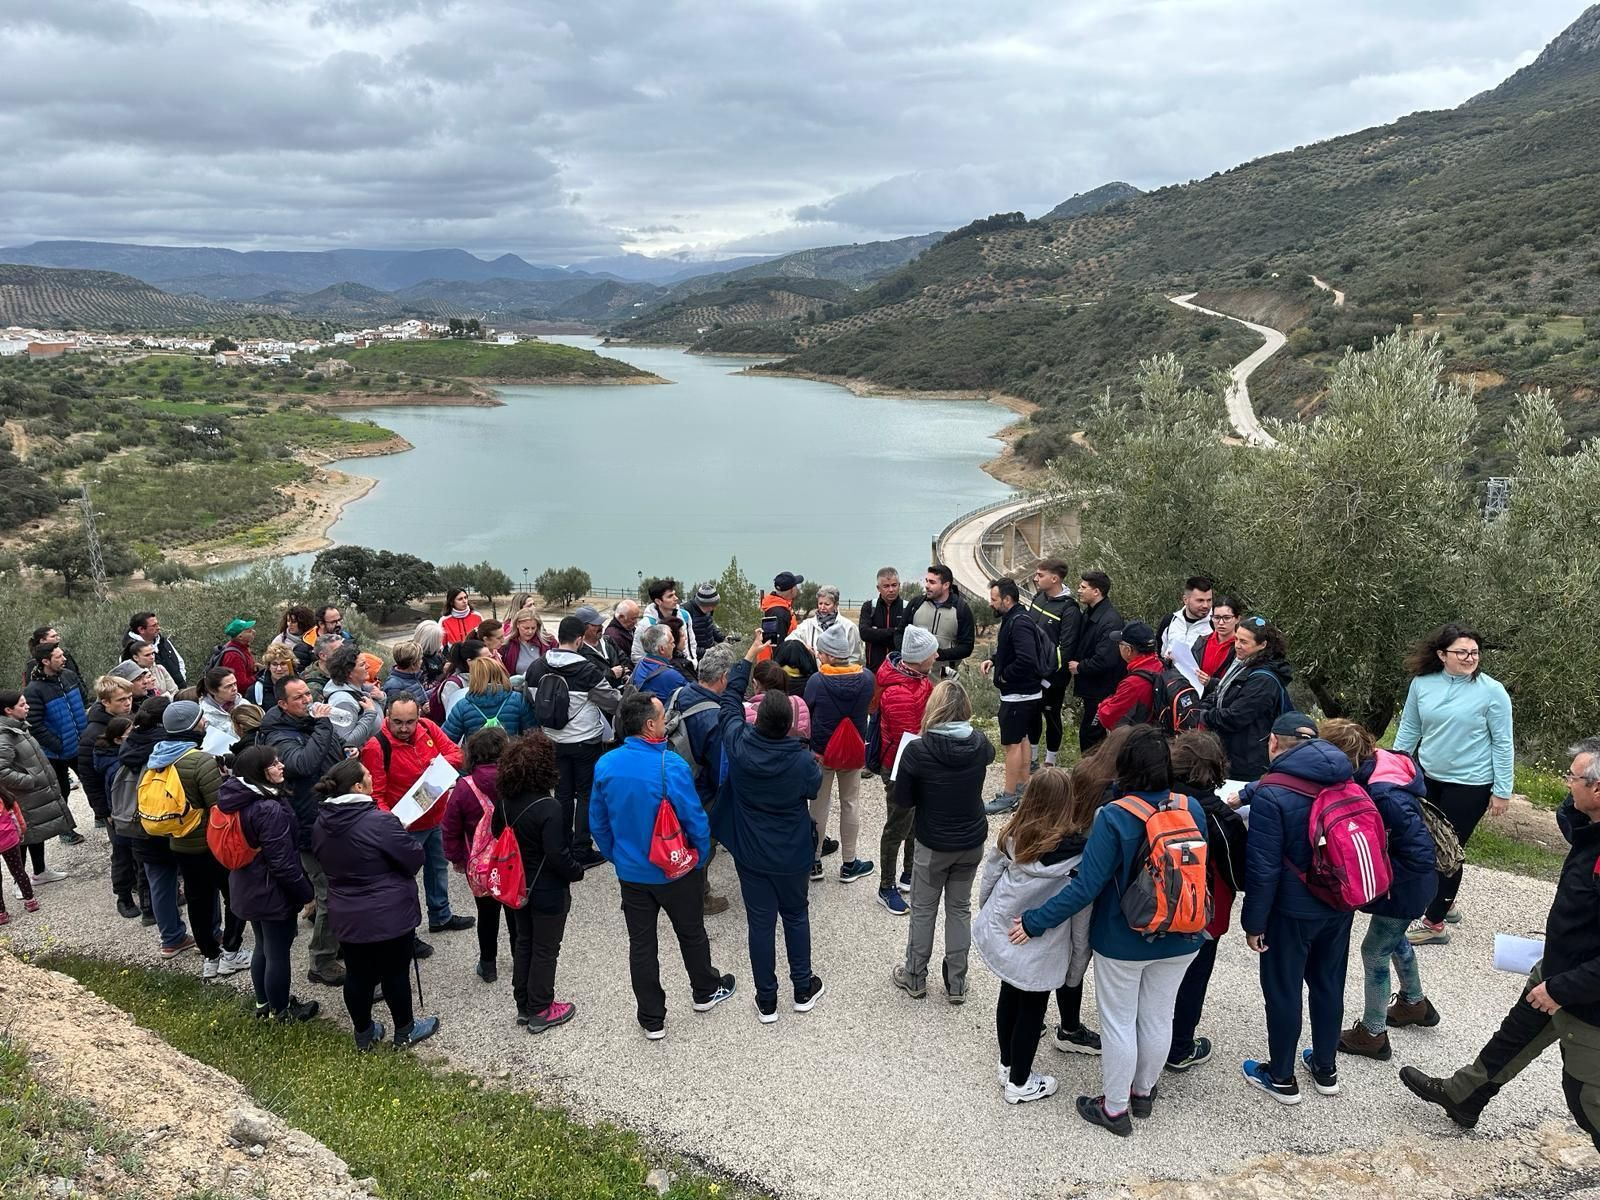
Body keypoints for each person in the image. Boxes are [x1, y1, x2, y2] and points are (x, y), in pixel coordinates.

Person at [1400, 737, 1600, 1146]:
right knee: (1514, 1035)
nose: (1566, 785)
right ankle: (1464, 1097)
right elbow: (1569, 817)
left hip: (1586, 997)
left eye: (1573, 779)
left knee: (1586, 1101)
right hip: (1560, 969)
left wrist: (1562, 988)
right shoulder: (1590, 827)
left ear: (1598, 789)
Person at [1011, 727, 1208, 1136]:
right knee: (1158, 1015)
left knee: (1120, 1021)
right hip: (1185, 933)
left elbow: (1086, 887)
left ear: (1126, 767)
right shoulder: (1192, 807)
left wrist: (1034, 921)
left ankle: (1114, 1109)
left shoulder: (1114, 815)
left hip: (1125, 938)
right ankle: (1143, 1092)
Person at [590, 692, 736, 1039]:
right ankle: (704, 989)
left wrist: (617, 856)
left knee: (641, 945)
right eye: (662, 715)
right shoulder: (671, 765)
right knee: (691, 931)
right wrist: (699, 856)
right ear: (650, 725)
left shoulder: (606, 765)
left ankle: (651, 1017)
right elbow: (695, 819)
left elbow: (598, 823)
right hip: (676, 868)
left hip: (632, 872)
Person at [1237, 712, 1355, 1105]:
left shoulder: (1273, 795)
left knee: (1283, 989)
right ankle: (1325, 1068)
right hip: (1339, 903)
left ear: (1273, 743)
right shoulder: (1345, 778)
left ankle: (1282, 1077)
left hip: (1291, 911)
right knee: (1327, 984)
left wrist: (1254, 922)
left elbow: (1263, 868)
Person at [712, 636, 826, 1023]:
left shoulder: (740, 745)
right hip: (792, 850)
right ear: (791, 723)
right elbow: (812, 789)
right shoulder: (802, 763)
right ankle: (802, 988)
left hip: (750, 850)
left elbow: (728, 703)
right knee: (795, 915)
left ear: (757, 718)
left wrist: (746, 658)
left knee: (760, 922)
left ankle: (766, 1000)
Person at [974, 767, 1100, 1103]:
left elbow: (989, 880)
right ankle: (1020, 1082)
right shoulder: (1079, 854)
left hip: (1007, 930)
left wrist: (988, 914)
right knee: (1032, 1010)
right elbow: (1081, 915)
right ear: (1067, 804)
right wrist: (1077, 962)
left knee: (1008, 997)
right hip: (1044, 947)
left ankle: (1006, 1064)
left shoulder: (1012, 836)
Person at [1318, 718, 1440, 1060]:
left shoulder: (1384, 794)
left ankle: (1372, 1034)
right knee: (1393, 938)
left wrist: (1379, 881)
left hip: (1405, 885)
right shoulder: (1377, 772)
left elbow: (1419, 853)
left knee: (1374, 952)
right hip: (1406, 884)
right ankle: (1414, 1003)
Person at [1394, 623, 1514, 945]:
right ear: (1441, 655)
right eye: (1462, 652)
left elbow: (1503, 743)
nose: (1469, 657)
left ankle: (1434, 923)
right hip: (1429, 776)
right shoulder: (1422, 684)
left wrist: (1502, 790)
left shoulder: (1492, 692)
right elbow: (1410, 728)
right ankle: (1444, 902)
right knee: (1421, 840)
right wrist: (1395, 764)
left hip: (1471, 784)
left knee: (1447, 849)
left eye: (1474, 652)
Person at [312, 758, 439, 1050]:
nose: (372, 777)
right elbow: (414, 859)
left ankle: (364, 1033)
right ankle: (405, 1029)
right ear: (358, 785)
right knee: (395, 972)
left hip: (346, 909)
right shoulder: (379, 821)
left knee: (358, 974)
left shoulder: (321, 822)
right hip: (388, 911)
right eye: (368, 774)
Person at [891, 680, 994, 1004]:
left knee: (923, 910)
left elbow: (903, 801)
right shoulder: (980, 744)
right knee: (959, 910)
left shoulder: (917, 750)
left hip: (933, 842)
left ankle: (915, 977)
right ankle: (957, 983)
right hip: (971, 840)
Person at [258, 677, 350, 987]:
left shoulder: (306, 724)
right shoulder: (279, 735)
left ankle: (337, 943)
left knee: (339, 888)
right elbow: (302, 764)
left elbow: (325, 757)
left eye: (308, 693)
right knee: (329, 894)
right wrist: (324, 726)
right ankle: (321, 960)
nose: (307, 700)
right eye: (299, 697)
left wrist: (344, 756)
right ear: (282, 704)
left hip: (330, 817)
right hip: (309, 826)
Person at [216, 745, 318, 1022]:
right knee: (277, 953)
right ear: (259, 773)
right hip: (271, 890)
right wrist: (306, 894)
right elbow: (283, 863)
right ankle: (281, 1011)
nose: (281, 766)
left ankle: (264, 1004)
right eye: (273, 764)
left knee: (263, 947)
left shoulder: (238, 798)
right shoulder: (268, 809)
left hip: (247, 885)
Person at [151, 700, 251, 982]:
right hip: (211, 844)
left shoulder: (157, 757)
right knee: (233, 895)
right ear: (189, 727)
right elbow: (221, 805)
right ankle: (231, 951)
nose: (205, 723)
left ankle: (210, 957)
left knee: (198, 901)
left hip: (180, 843)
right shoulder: (200, 761)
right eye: (200, 720)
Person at [1165, 730, 1246, 1073]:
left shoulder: (1152, 800)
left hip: (1152, 908)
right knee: (1193, 979)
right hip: (1203, 915)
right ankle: (1179, 1046)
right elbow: (1238, 874)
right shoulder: (1220, 817)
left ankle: (1144, 1040)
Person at [361, 692, 470, 947]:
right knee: (401, 882)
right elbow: (375, 794)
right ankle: (405, 933)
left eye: (409, 721)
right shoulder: (376, 747)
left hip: (436, 816)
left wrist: (439, 763)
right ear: (386, 716)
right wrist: (392, 824)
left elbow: (456, 754)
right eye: (397, 722)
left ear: (418, 717)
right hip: (405, 826)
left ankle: (440, 915)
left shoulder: (428, 728)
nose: (404, 728)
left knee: (438, 868)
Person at [495, 731, 584, 1033]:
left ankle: (523, 1004)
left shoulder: (506, 801)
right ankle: (542, 1007)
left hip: (516, 884)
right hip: (547, 889)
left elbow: (497, 833)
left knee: (524, 944)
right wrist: (577, 870)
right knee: (546, 949)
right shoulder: (550, 807)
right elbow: (558, 854)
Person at [525, 616, 622, 871]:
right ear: (579, 639)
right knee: (586, 794)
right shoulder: (586, 670)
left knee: (562, 794)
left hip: (552, 739)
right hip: (583, 741)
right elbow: (611, 702)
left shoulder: (537, 667)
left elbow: (531, 697)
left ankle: (563, 844)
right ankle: (582, 848)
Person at [117, 697, 193, 957]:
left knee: (159, 882)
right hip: (176, 822)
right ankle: (213, 935)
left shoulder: (127, 746)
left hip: (142, 825)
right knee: (196, 880)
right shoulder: (172, 746)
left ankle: (171, 939)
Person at [440, 726, 514, 981]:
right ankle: (520, 957)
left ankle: (488, 964)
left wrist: (457, 858)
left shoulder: (464, 787)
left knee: (487, 914)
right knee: (515, 912)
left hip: (481, 862)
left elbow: (450, 827)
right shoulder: (515, 779)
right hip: (513, 859)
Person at [803, 622, 875, 883]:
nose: (819, 657)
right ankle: (849, 863)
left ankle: (813, 861)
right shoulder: (867, 678)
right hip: (853, 752)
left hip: (822, 753)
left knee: (818, 806)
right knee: (850, 803)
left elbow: (808, 711)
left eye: (821, 653)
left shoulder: (817, 681)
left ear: (831, 655)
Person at [875, 625, 939, 914]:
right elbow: (911, 733)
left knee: (915, 820)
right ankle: (886, 886)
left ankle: (908, 874)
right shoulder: (899, 691)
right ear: (920, 657)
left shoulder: (919, 679)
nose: (937, 655)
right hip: (901, 765)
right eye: (932, 652)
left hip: (916, 760)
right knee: (897, 825)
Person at [1194, 616, 1292, 782]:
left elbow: (1236, 717)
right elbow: (1219, 693)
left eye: (1244, 642)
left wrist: (1203, 715)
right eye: (1236, 639)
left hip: (1248, 761)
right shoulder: (1243, 664)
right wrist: (1202, 708)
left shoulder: (1263, 680)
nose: (1237, 645)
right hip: (1232, 753)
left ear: (1262, 645)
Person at [983, 577, 1051, 815]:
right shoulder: (1017, 617)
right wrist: (994, 660)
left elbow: (1026, 658)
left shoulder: (1018, 622)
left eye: (994, 599)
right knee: (1021, 740)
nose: (991, 604)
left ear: (1007, 599)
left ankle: (1009, 795)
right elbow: (1012, 650)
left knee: (1011, 744)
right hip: (1026, 694)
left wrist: (1003, 677)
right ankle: (1022, 789)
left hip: (1018, 695)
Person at [0, 690, 74, 890]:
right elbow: (1, 771)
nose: (28, 707)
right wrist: (30, 781)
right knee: (23, 838)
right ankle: (18, 882)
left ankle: (40, 872)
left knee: (37, 832)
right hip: (22, 797)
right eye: (22, 705)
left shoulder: (19, 728)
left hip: (32, 796)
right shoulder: (4, 736)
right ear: (8, 710)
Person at [23, 642, 88, 836]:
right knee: (62, 791)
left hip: (81, 745)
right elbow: (34, 725)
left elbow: (82, 701)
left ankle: (101, 816)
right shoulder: (34, 690)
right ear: (45, 661)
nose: (64, 659)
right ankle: (65, 831)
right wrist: (59, 745)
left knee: (92, 779)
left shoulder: (69, 676)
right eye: (59, 657)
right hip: (56, 753)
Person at [1025, 558, 1082, 771]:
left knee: (1051, 714)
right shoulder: (1039, 598)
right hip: (1033, 672)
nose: (1035, 578)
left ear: (1054, 578)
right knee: (1032, 713)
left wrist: (1047, 674)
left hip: (1053, 677)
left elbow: (1065, 648)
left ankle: (1051, 760)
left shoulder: (1070, 609)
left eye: (1040, 575)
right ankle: (1032, 758)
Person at [1068, 571, 1124, 752]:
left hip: (1102, 690)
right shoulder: (1090, 614)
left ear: (1097, 591)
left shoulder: (1110, 620)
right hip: (1092, 688)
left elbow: (1106, 658)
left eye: (1083, 587)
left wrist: (1080, 667)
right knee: (1090, 733)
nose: (1079, 590)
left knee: (1091, 735)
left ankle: (1093, 775)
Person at [897, 565, 974, 679]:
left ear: (946, 585)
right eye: (927, 581)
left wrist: (937, 654)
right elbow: (899, 633)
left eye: (932, 582)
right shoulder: (916, 604)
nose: (927, 586)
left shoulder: (961, 609)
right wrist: (907, 654)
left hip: (945, 677)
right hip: (914, 675)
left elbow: (967, 647)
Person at [79, 674, 133, 830]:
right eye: (121, 700)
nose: (128, 703)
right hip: (114, 805)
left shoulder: (129, 718)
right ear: (105, 702)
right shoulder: (92, 734)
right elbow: (89, 777)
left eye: (129, 697)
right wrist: (103, 811)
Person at [1092, 621, 1165, 733]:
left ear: (1128, 650)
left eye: (1120, 643)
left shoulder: (1133, 683)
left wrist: (1104, 704)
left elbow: (1109, 717)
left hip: (1140, 741)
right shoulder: (1161, 666)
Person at [443, 656, 532, 740]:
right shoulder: (517, 700)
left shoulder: (462, 706)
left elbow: (446, 740)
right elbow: (531, 733)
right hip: (511, 754)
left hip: (477, 755)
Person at [322, 646, 383, 749]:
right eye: (362, 664)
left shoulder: (359, 688)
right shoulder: (343, 702)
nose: (368, 666)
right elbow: (347, 742)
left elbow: (378, 719)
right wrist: (369, 715)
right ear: (349, 673)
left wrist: (381, 699)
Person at [634, 578, 699, 669]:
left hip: (685, 667)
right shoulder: (646, 624)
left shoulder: (684, 616)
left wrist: (692, 661)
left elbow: (691, 642)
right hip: (658, 673)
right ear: (658, 601)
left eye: (675, 594)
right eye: (670, 596)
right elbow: (637, 655)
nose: (675, 598)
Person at [789, 585, 862, 662]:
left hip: (839, 673)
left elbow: (854, 658)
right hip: (813, 672)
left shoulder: (849, 627)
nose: (822, 607)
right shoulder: (807, 624)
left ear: (836, 605)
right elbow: (789, 640)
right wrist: (803, 646)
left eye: (827, 604)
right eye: (820, 603)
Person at [1156, 576, 1214, 664]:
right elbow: (1158, 653)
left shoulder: (1216, 624)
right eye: (1200, 600)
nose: (1205, 605)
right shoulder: (1170, 620)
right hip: (1169, 675)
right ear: (1186, 600)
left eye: (1209, 600)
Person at [123, 611, 187, 689]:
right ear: (141, 629)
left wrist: (182, 680)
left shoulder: (163, 642)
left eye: (157, 624)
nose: (158, 628)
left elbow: (180, 662)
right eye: (154, 626)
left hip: (178, 690)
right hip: (156, 697)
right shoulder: (129, 651)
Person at [858, 567, 905, 675]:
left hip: (900, 672)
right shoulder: (869, 607)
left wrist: (876, 633)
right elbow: (864, 633)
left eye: (894, 585)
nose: (891, 590)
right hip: (874, 671)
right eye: (886, 586)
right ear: (878, 588)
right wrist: (895, 631)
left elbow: (906, 639)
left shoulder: (906, 608)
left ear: (899, 585)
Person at [631, 625, 689, 701]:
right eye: (671, 643)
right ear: (662, 649)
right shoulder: (671, 675)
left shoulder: (640, 665)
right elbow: (692, 696)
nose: (674, 646)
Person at [1191, 596, 1239, 689]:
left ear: (1237, 619)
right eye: (1216, 617)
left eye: (1227, 618)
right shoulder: (1202, 641)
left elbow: (1238, 685)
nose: (1221, 623)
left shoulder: (1241, 647)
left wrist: (1210, 682)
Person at [575, 605, 628, 686]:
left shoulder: (608, 640)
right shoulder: (580, 651)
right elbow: (588, 679)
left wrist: (626, 673)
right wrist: (611, 674)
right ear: (583, 628)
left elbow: (625, 660)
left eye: (601, 624)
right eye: (595, 625)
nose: (601, 627)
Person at [757, 571, 804, 661]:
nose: (797, 588)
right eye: (796, 586)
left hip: (767, 663)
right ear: (791, 590)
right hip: (773, 667)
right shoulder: (779, 613)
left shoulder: (773, 606)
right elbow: (777, 647)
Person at [196, 668, 244, 757]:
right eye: (228, 686)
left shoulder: (244, 704)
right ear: (213, 691)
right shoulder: (203, 716)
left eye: (235, 684)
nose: (234, 689)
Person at [501, 606, 556, 676]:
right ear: (517, 625)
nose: (530, 631)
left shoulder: (549, 642)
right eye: (526, 628)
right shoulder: (507, 645)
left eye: (533, 628)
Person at [216, 618, 258, 698]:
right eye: (249, 631)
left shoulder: (242, 648)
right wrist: (258, 676)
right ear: (240, 637)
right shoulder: (234, 656)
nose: (254, 632)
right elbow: (240, 684)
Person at [381, 641, 429, 709]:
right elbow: (397, 714)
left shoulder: (413, 677)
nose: (422, 661)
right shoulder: (394, 686)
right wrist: (422, 711)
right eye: (420, 659)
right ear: (413, 664)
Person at [249, 643, 298, 708]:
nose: (279, 669)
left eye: (283, 664)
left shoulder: (301, 685)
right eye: (274, 664)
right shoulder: (256, 691)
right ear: (268, 666)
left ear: (290, 665)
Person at [270, 604, 317, 670]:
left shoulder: (314, 637)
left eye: (294, 622)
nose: (290, 624)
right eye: (288, 621)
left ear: (304, 623)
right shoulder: (279, 641)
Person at [686, 583, 727, 653]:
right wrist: (705, 652)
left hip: (709, 656)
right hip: (695, 659)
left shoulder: (708, 610)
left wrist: (723, 639)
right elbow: (684, 646)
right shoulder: (686, 612)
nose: (713, 608)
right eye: (712, 605)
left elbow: (709, 626)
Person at [604, 599, 641, 666]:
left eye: (636, 618)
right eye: (633, 619)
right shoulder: (613, 636)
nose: (635, 622)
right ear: (621, 617)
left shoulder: (629, 628)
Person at [413, 619, 447, 685]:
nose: (441, 642)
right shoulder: (417, 659)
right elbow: (424, 685)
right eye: (439, 640)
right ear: (430, 642)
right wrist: (444, 674)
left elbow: (445, 663)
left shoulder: (437, 653)